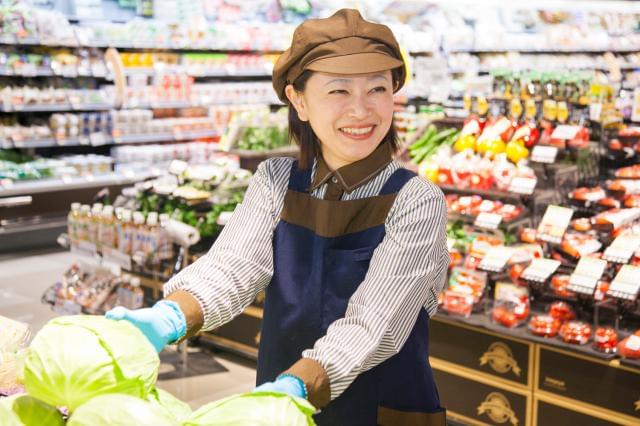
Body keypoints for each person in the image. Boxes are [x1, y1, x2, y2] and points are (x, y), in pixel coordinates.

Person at [106, 8, 448, 426]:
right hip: (279, 404)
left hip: (377, 406)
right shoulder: (275, 180)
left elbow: (374, 323)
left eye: (377, 88)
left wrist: (300, 385)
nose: (361, 110)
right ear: (298, 101)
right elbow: (235, 266)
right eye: (339, 91)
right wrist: (172, 316)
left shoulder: (417, 200)